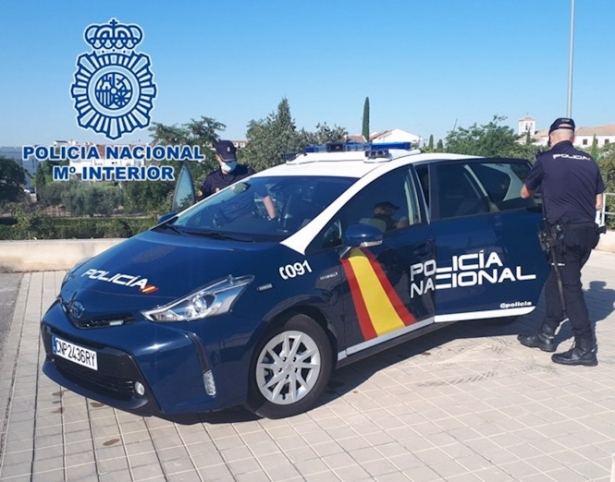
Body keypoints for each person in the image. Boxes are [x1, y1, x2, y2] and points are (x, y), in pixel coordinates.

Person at [517, 117, 605, 366]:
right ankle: (545, 334)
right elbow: (598, 203)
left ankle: (585, 346)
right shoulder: (589, 161)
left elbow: (525, 192)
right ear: (573, 138)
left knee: (570, 288)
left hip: (564, 235)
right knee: (555, 282)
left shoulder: (545, 160)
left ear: (552, 137)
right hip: (588, 232)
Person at [198, 140, 276, 220]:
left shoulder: (247, 173)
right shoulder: (212, 179)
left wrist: (274, 220)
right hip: (224, 226)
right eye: (227, 161)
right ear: (218, 157)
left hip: (250, 222)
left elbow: (265, 196)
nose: (230, 163)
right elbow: (199, 203)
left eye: (232, 160)